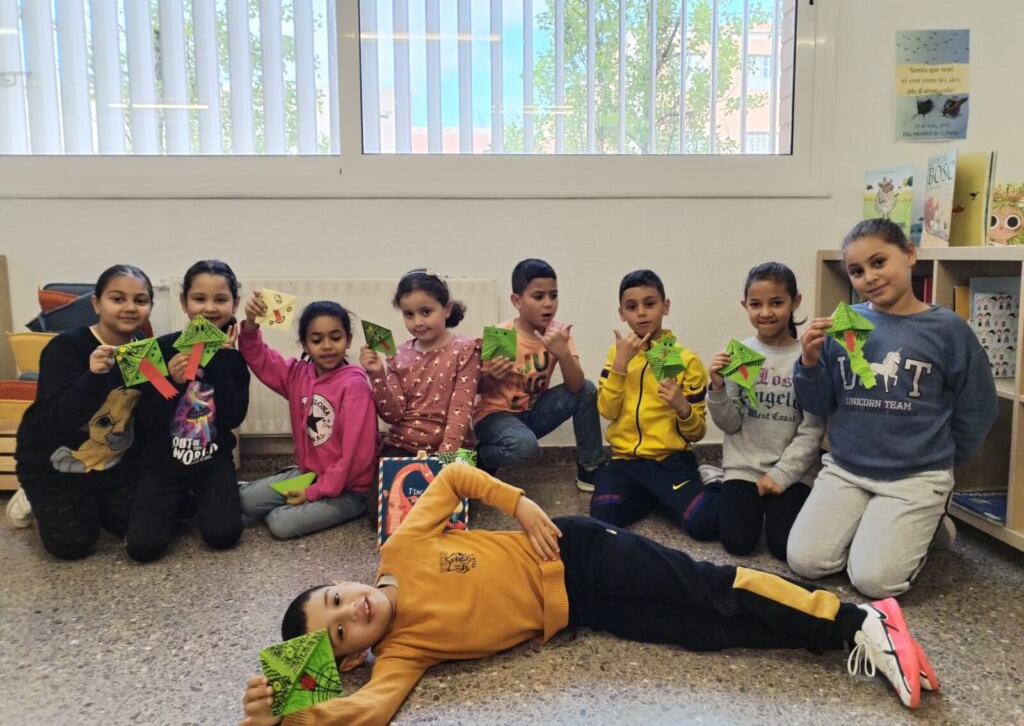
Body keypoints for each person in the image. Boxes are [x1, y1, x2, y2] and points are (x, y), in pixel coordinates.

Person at [237, 462, 938, 726]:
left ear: (346, 581)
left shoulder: (400, 549)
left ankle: (853, 618)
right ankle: (836, 638)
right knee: (709, 631)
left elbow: (452, 478)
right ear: (351, 658)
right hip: (585, 612)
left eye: (336, 598)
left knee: (708, 586)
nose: (351, 611)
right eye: (340, 631)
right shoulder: (402, 654)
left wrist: (520, 504)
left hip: (579, 549)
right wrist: (286, 713)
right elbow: (367, 709)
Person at [789, 218, 998, 597]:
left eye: (878, 262)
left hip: (915, 477)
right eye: (856, 271)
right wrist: (808, 363)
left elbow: (979, 402)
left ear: (910, 254)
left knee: (874, 581)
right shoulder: (844, 323)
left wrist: (951, 456)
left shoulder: (948, 329)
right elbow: (818, 404)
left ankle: (928, 518)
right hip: (847, 470)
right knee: (806, 561)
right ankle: (888, 527)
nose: (869, 277)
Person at [13, 265, 154, 560]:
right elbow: (59, 419)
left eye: (140, 300)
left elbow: (145, 415)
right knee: (72, 545)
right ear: (96, 304)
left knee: (149, 524)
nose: (130, 307)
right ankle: (31, 495)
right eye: (118, 298)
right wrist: (93, 377)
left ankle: (96, 501)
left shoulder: (143, 348)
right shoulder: (65, 348)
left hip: (112, 463)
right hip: (54, 464)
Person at [125, 260, 249, 562]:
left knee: (224, 535)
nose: (210, 308)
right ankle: (182, 503)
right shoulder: (157, 350)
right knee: (143, 549)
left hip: (211, 462)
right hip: (162, 467)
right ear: (184, 302)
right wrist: (172, 382)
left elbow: (233, 417)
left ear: (234, 303)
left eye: (221, 299)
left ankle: (196, 500)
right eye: (199, 298)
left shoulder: (232, 356)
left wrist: (223, 361)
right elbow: (146, 420)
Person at [704, 262, 824, 561]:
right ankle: (717, 484)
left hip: (793, 470)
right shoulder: (741, 354)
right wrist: (717, 387)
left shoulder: (807, 356)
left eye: (776, 303)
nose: (766, 312)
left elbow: (812, 428)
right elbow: (730, 424)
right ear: (745, 305)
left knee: (783, 547)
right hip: (744, 466)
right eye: (756, 304)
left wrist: (782, 475)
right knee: (737, 542)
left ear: (795, 302)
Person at [590, 270, 718, 539]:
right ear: (621, 313)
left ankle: (712, 483)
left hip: (670, 460)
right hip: (625, 461)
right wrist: (620, 365)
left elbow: (696, 433)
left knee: (704, 524)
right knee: (603, 514)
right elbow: (607, 410)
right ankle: (655, 495)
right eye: (631, 306)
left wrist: (682, 407)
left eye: (649, 303)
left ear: (665, 306)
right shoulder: (617, 354)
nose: (641, 313)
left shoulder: (684, 360)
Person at [238, 295, 379, 539]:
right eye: (316, 340)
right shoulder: (297, 375)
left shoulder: (355, 386)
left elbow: (356, 459)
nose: (327, 346)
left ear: (348, 340)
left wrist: (312, 493)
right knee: (245, 501)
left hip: (350, 488)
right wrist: (250, 325)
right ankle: (285, 485)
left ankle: (335, 505)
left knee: (280, 523)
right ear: (304, 344)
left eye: (336, 338)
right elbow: (260, 358)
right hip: (311, 474)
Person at [359, 270, 480, 525]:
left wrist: (443, 462)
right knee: (380, 517)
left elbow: (460, 410)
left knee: (448, 517)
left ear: (447, 309)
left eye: (426, 312)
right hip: (402, 446)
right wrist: (376, 374)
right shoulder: (397, 354)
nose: (417, 322)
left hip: (449, 449)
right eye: (408, 314)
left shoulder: (465, 349)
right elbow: (393, 415)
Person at [472, 258, 605, 491]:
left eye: (554, 295)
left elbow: (577, 388)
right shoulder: (502, 334)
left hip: (533, 412)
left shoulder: (558, 333)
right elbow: (477, 390)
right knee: (525, 447)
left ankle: (590, 467)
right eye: (538, 296)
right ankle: (481, 457)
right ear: (517, 301)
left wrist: (563, 353)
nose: (548, 304)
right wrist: (492, 375)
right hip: (495, 415)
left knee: (588, 388)